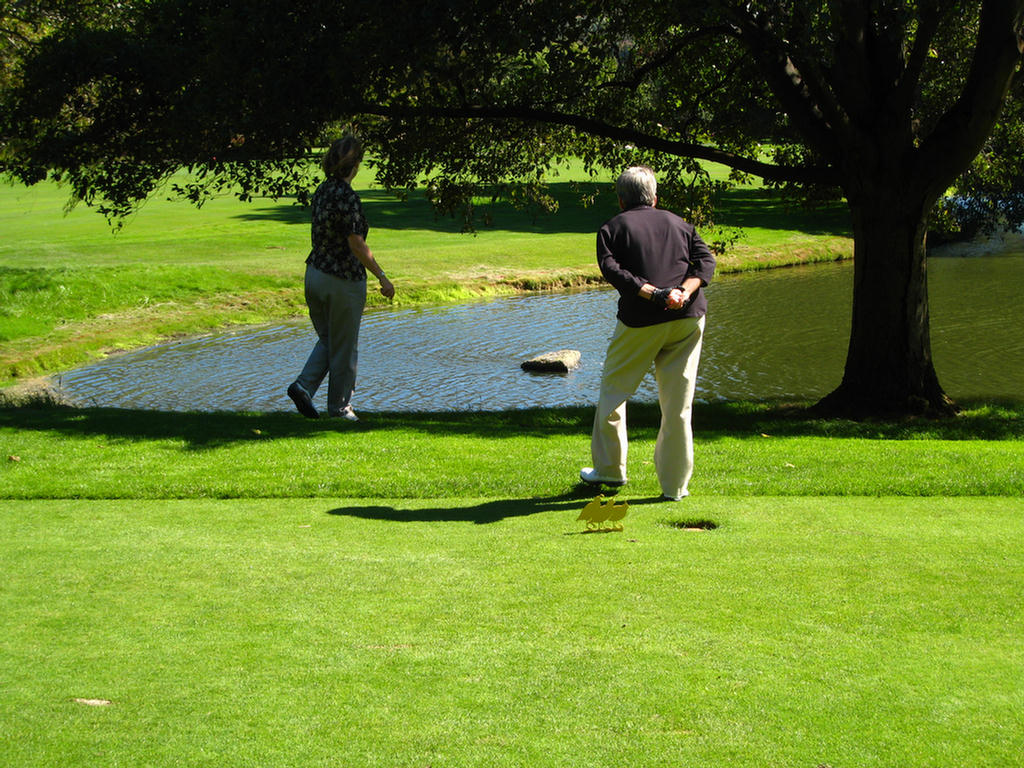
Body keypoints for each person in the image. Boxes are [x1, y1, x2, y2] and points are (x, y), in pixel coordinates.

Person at [580, 166, 716, 501]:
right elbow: (706, 263)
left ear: (621, 198)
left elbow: (614, 271)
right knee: (678, 406)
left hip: (641, 323)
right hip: (687, 319)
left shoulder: (612, 227)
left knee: (613, 394)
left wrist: (655, 293)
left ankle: (610, 472)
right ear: (654, 197)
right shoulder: (681, 224)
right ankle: (675, 488)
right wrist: (682, 292)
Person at [287, 136, 394, 421]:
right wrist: (382, 277)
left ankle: (303, 387)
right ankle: (340, 409)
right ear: (356, 164)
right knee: (344, 348)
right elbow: (356, 244)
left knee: (330, 340)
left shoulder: (322, 190)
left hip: (315, 275)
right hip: (342, 280)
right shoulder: (348, 197)